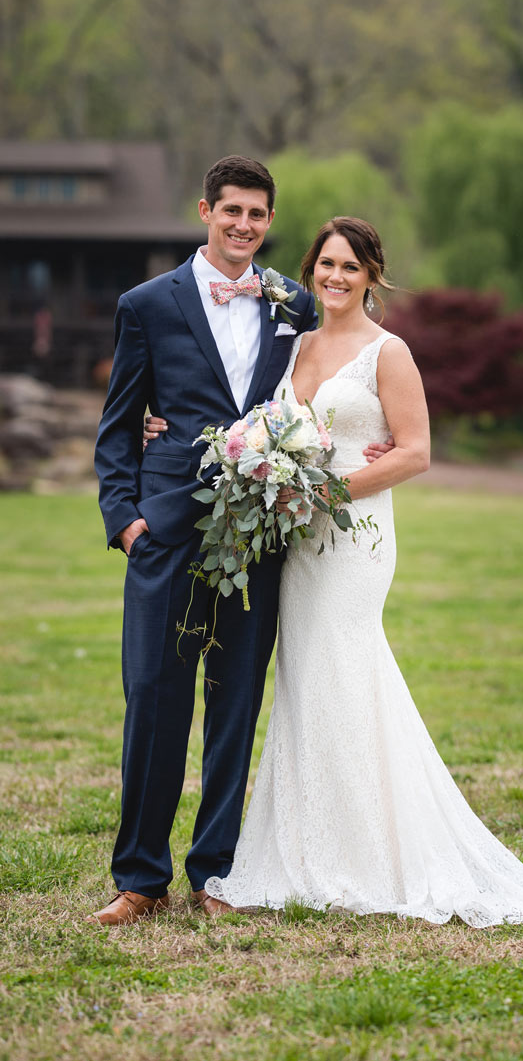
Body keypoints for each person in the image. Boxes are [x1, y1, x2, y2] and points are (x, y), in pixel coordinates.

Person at [148, 217, 523, 926]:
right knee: (306, 678)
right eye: (325, 264)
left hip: (354, 538)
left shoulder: (389, 352)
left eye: (350, 267)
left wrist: (323, 490)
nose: (334, 277)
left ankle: (371, 856)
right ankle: (310, 845)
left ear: (371, 276)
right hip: (295, 544)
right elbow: (241, 409)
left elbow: (415, 451)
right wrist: (172, 427)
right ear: (309, 269)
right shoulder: (289, 346)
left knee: (345, 663)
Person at [91, 159, 391, 926]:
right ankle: (139, 877)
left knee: (235, 702)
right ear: (205, 210)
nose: (243, 226)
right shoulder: (146, 304)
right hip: (163, 529)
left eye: (257, 215)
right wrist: (125, 517)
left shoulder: (294, 303)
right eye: (231, 211)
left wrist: (373, 450)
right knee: (154, 700)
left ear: (267, 221)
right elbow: (121, 420)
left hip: (258, 536)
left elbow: (330, 387)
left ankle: (215, 870)